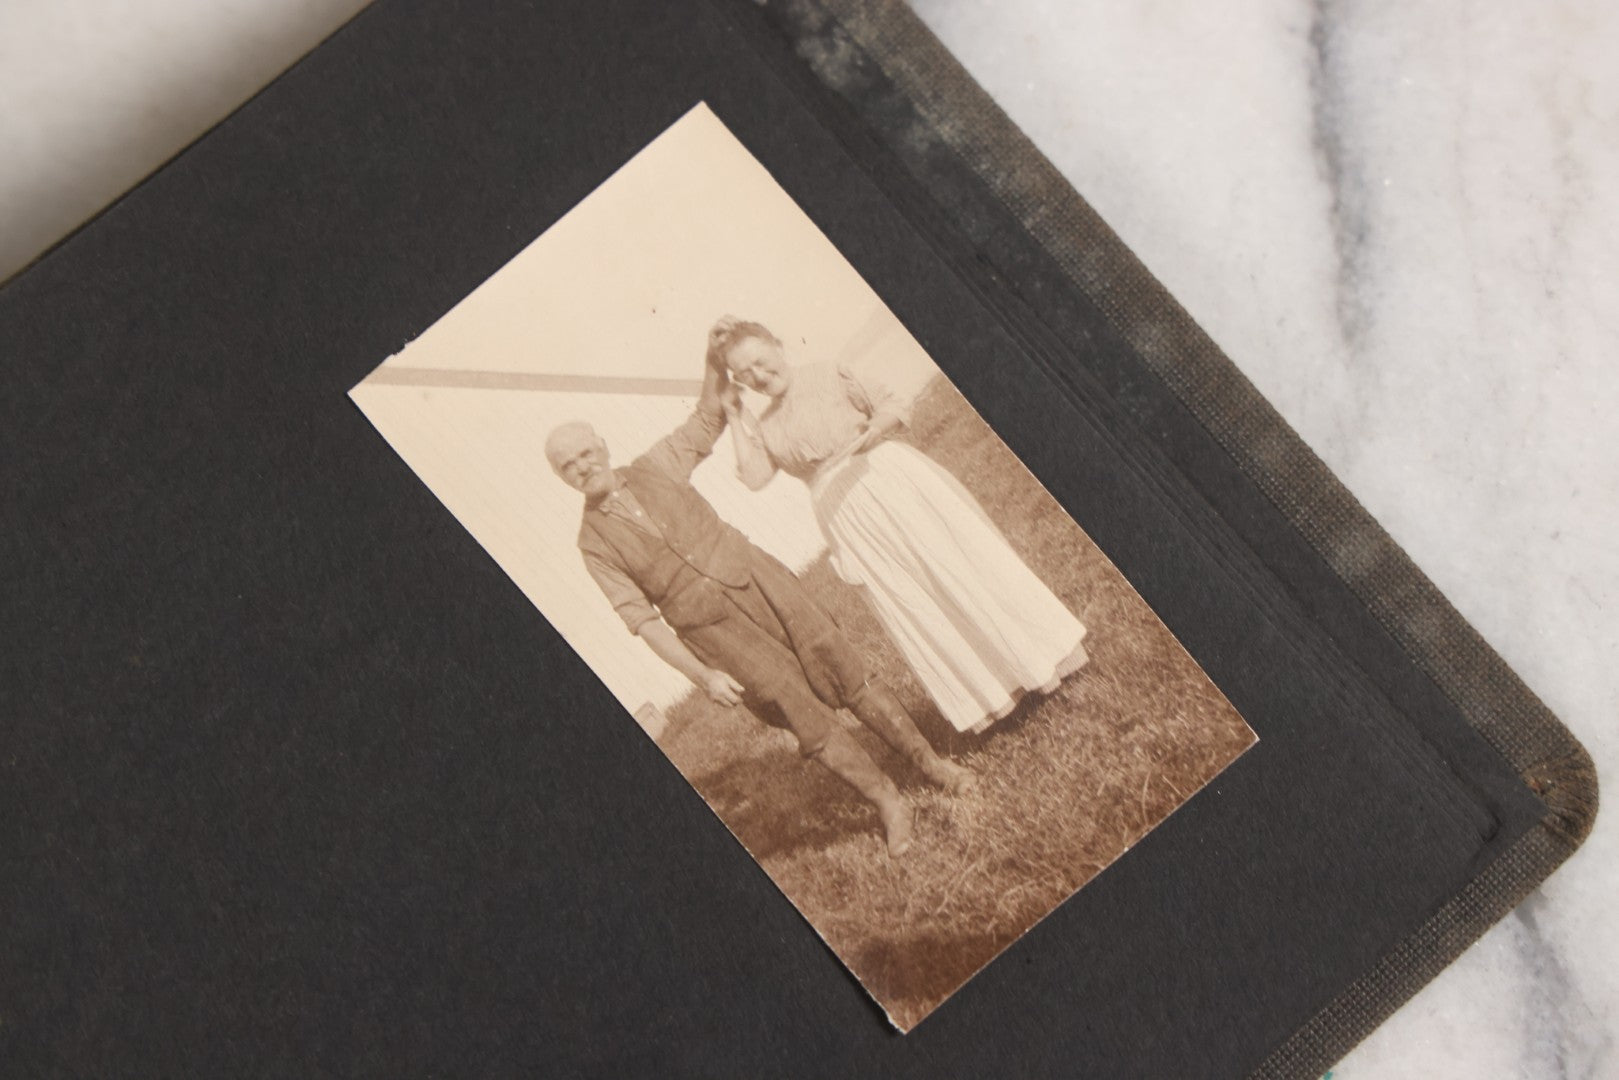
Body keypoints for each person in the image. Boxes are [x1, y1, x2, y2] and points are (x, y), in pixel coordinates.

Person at [545, 352, 974, 858]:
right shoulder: (591, 543)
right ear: (562, 478)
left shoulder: (655, 464)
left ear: (600, 444)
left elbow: (707, 417)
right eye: (567, 466)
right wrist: (703, 675)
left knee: (841, 664)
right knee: (798, 710)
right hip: (714, 633)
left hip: (760, 578)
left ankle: (931, 764)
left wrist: (710, 356)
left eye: (584, 453)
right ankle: (887, 801)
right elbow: (641, 620)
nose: (581, 467)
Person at [712, 316, 1089, 734]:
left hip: (886, 479)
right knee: (914, 598)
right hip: (845, 519)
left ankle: (1043, 659)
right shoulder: (765, 426)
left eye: (762, 362)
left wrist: (875, 430)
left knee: (960, 567)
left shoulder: (829, 373)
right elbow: (753, 478)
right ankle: (993, 693)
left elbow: (893, 404)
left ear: (778, 346)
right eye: (746, 375)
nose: (760, 377)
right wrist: (733, 414)